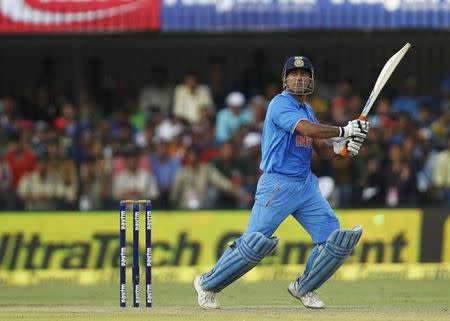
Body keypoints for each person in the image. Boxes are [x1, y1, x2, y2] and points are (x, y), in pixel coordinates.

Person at [194, 56, 370, 310]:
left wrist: (343, 149)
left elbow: (319, 148)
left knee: (334, 239)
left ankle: (305, 287)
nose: (299, 78)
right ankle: (207, 284)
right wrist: (344, 131)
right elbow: (308, 130)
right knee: (255, 244)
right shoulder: (280, 104)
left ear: (311, 79)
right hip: (277, 184)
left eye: (304, 74)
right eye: (293, 74)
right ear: (285, 79)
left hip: (305, 185)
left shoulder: (308, 110)